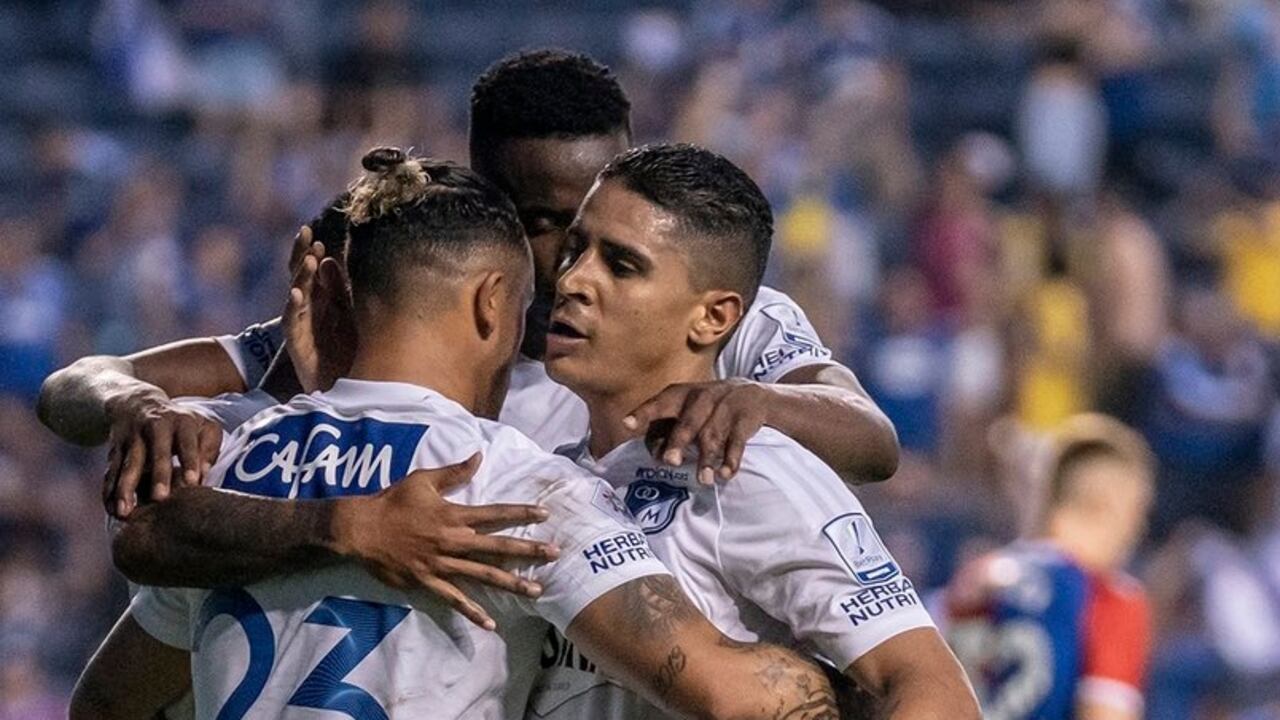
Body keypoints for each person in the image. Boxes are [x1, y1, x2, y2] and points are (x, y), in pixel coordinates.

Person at [70, 149, 839, 720]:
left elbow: (104, 703)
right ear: (492, 304)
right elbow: (736, 696)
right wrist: (843, 678)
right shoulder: (512, 489)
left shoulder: (225, 458)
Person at [37, 49, 899, 519]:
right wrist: (137, 408)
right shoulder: (400, 322)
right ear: (484, 197)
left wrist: (758, 403)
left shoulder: (719, 325)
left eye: (599, 223)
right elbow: (75, 386)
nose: (572, 261)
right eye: (541, 222)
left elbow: (869, 440)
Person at [523, 142, 978, 720]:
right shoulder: (551, 472)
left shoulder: (745, 469)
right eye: (575, 250)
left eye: (621, 265)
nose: (573, 281)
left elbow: (933, 691)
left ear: (713, 316)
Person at [945, 413, 1154, 720]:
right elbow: (1105, 714)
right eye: (1138, 510)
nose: (1140, 528)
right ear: (1109, 504)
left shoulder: (974, 581)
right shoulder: (1109, 598)